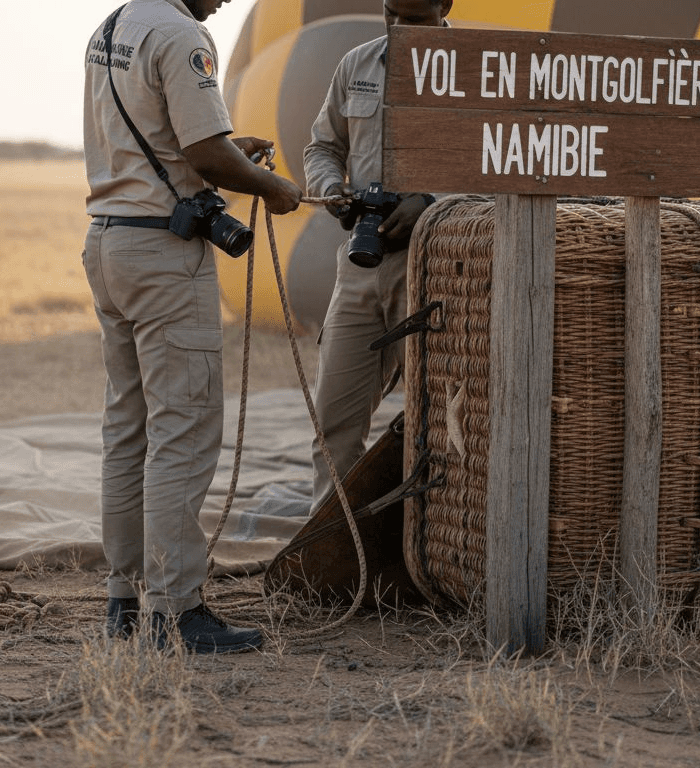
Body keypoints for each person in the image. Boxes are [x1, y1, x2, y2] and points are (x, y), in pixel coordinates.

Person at [82, 0, 302, 653]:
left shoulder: (112, 27)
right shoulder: (184, 35)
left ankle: (124, 601)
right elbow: (204, 154)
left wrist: (233, 154)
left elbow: (160, 142)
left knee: (128, 427)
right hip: (163, 255)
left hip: (109, 240)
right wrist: (268, 185)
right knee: (183, 429)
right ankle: (178, 611)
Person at [303, 0, 451, 508]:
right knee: (333, 423)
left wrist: (430, 205)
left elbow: (508, 168)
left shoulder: (480, 69)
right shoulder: (357, 64)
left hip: (441, 269)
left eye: (413, 18)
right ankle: (328, 552)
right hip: (362, 262)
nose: (400, 28)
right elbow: (322, 146)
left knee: (442, 421)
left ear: (445, 6)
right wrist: (332, 192)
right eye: (392, 14)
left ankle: (433, 548)